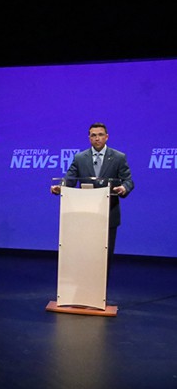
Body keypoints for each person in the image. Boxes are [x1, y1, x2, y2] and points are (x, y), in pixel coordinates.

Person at [50, 122, 134, 284]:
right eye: (93, 135)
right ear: (89, 138)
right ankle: (83, 287)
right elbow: (70, 180)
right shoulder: (80, 158)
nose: (97, 138)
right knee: (86, 253)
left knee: (104, 255)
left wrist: (123, 188)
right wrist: (60, 188)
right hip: (85, 214)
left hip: (108, 213)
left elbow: (129, 181)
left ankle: (101, 288)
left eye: (100, 135)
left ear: (107, 137)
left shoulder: (118, 157)